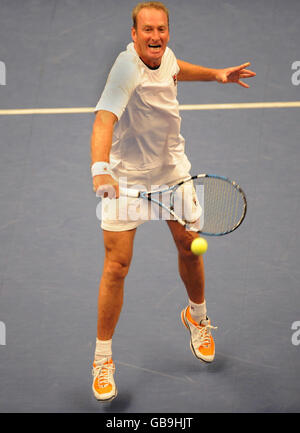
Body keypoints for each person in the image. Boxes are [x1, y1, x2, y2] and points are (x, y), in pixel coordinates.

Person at [90, 1, 255, 401]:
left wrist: (216, 75)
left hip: (171, 173)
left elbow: (178, 69)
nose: (155, 37)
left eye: (161, 29)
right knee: (117, 267)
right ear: (134, 34)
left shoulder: (164, 57)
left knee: (189, 248)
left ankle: (196, 317)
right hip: (126, 181)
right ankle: (102, 358)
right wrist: (100, 169)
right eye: (147, 30)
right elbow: (103, 119)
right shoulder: (125, 69)